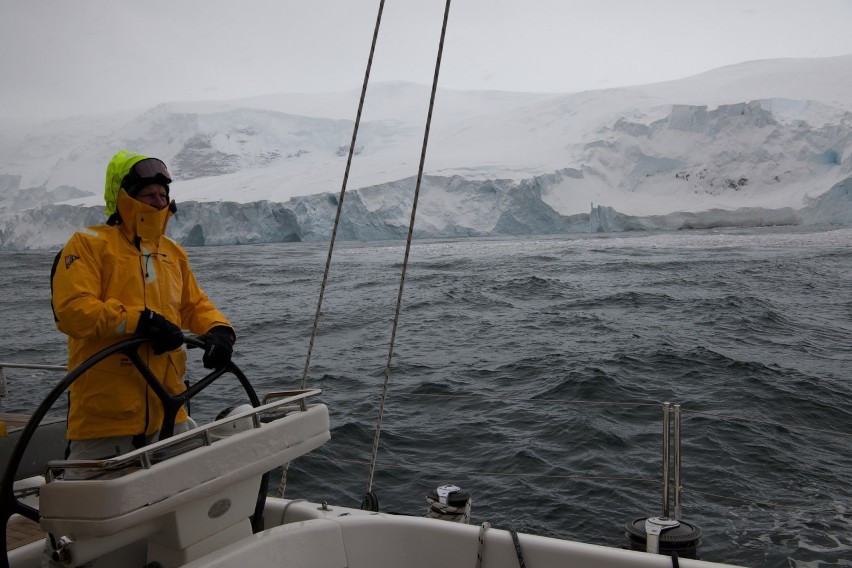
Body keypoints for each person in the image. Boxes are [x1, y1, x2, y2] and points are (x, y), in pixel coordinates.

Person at [50, 150, 236, 460]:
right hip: (105, 420)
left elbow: (194, 305)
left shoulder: (172, 252)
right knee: (90, 504)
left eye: (163, 194)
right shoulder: (88, 244)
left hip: (170, 410)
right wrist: (141, 321)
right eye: (148, 194)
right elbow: (72, 312)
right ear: (123, 197)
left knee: (195, 487)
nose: (158, 201)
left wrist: (219, 329)